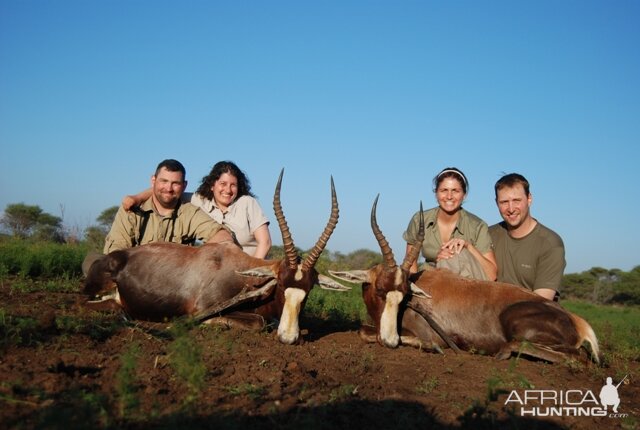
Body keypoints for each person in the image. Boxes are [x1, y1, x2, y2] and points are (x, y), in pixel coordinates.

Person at [82, 159, 234, 276]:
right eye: (164, 181)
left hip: (172, 277)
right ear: (153, 181)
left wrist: (194, 259)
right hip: (133, 274)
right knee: (94, 263)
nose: (168, 188)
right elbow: (115, 254)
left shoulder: (189, 212)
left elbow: (223, 236)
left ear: (184, 186)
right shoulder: (131, 210)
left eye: (175, 183)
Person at [123, 161, 272, 258]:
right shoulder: (200, 200)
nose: (228, 189)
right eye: (223, 183)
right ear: (212, 185)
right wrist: (137, 198)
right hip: (220, 270)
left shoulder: (248, 203)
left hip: (251, 267)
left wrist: (251, 273)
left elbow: (265, 243)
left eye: (233, 185)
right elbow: (169, 191)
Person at [403, 167, 497, 281]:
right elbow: (410, 262)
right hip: (429, 281)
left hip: (467, 284)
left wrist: (468, 246)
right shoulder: (419, 219)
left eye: (455, 191)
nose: (449, 196)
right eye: (444, 190)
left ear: (464, 195)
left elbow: (492, 275)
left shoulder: (477, 225)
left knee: (455, 255)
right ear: (436, 193)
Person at [489, 173, 565, 301]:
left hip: (531, 316)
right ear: (496, 203)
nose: (511, 208)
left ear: (529, 199)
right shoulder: (487, 235)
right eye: (504, 202)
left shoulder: (550, 243)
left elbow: (540, 302)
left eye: (517, 201)